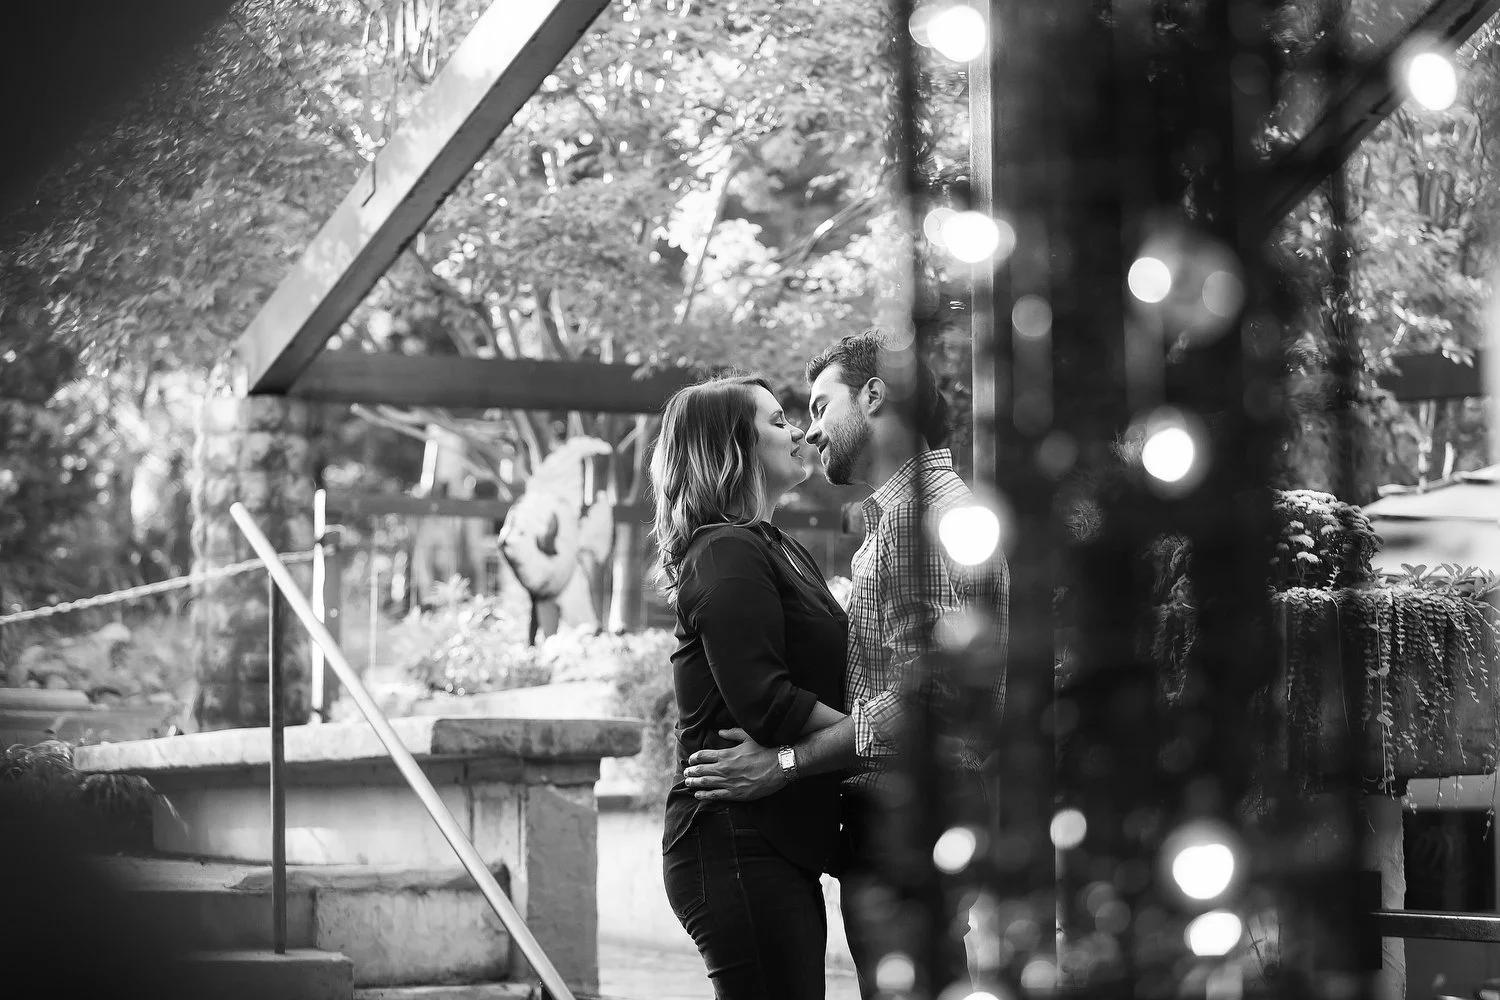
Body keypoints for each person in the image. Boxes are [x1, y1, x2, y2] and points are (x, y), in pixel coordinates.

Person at [683, 330, 1010, 999]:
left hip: (910, 813)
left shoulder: (921, 518)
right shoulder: (912, 517)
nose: (811, 430)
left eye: (821, 406)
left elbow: (931, 697)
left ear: (874, 395)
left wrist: (785, 764)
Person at [651, 372, 852, 1000]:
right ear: (733, 448)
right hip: (733, 840)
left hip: (771, 839)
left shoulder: (776, 546)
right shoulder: (726, 550)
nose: (798, 432)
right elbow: (765, 703)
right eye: (776, 422)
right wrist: (866, 734)